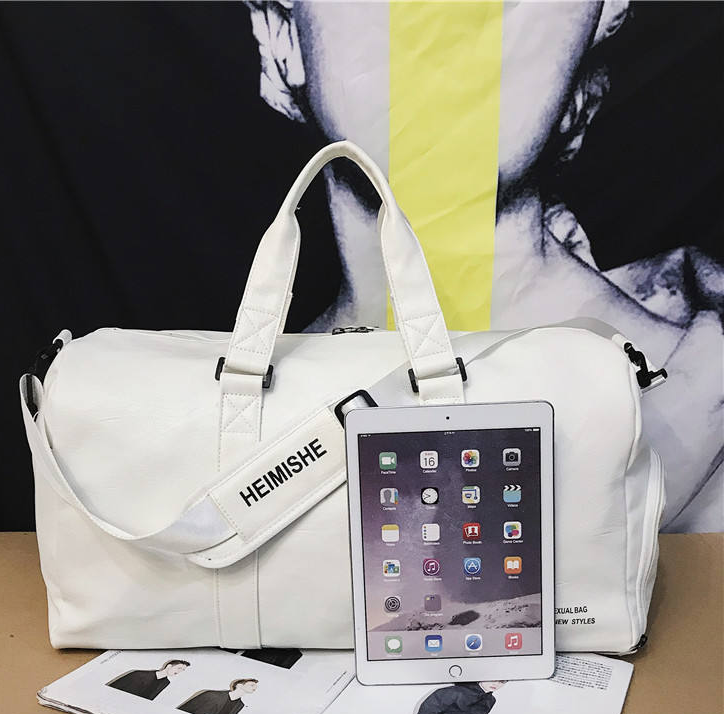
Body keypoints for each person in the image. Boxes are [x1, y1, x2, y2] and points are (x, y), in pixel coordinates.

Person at [244, 0, 723, 532]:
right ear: (282, 33)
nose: (449, 19)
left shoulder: (702, 384)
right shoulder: (232, 430)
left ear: (592, 33)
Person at [177, 678, 259, 714]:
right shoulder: (211, 694)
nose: (255, 688)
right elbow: (184, 709)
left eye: (256, 686)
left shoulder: (240, 705)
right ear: (239, 685)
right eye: (252, 685)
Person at [106, 659, 190, 700]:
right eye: (179, 668)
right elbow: (113, 689)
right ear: (169, 666)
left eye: (182, 670)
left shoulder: (166, 683)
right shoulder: (138, 674)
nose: (180, 672)